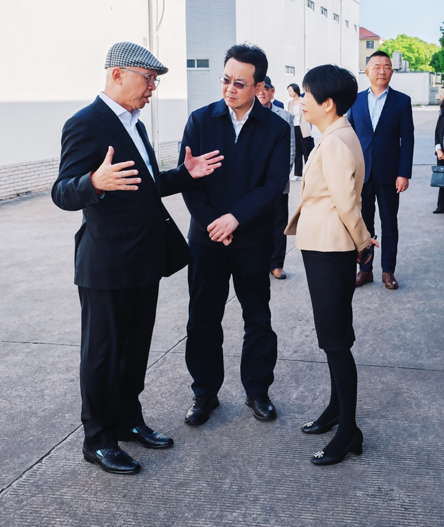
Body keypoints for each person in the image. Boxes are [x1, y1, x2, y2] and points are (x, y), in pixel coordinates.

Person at [51, 42, 224, 475]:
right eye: (148, 79)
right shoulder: (85, 124)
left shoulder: (136, 124)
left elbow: (145, 184)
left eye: (155, 81)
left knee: (135, 350)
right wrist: (93, 181)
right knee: (102, 355)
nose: (152, 88)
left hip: (143, 259)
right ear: (117, 75)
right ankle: (97, 439)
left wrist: (186, 174)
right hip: (106, 264)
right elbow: (62, 191)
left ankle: (128, 420)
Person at [178, 44, 290, 426]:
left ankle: (258, 391)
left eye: (240, 83)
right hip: (206, 238)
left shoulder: (276, 128)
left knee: (257, 317)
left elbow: (273, 185)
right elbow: (189, 180)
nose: (230, 88)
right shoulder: (200, 121)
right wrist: (214, 223)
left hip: (252, 240)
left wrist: (235, 219)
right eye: (226, 80)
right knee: (202, 318)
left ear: (259, 86)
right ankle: (204, 394)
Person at [285, 64, 378, 466]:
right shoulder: (335, 135)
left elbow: (346, 202)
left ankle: (349, 432)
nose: (301, 101)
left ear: (328, 103)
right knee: (332, 336)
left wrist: (364, 241)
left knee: (335, 341)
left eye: (307, 95)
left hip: (330, 249)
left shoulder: (337, 141)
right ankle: (336, 410)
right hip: (323, 247)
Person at [348, 50, 415, 290]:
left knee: (389, 223)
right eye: (376, 66)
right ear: (367, 71)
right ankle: (365, 270)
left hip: (389, 174)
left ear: (392, 72)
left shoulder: (401, 101)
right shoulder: (355, 101)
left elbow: (407, 140)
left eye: (386, 66)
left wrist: (403, 173)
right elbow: (349, 137)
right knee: (364, 224)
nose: (382, 71)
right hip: (362, 174)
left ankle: (388, 271)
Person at [257, 79, 296, 280]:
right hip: (255, 182)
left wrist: (278, 177)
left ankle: (277, 264)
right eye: (259, 89)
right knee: (256, 222)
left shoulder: (285, 116)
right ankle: (259, 261)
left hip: (278, 182)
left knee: (278, 222)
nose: (262, 93)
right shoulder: (246, 114)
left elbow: (291, 149)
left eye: (266, 89)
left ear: (272, 91)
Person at [287, 83, 314, 180]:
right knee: (297, 151)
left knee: (306, 151)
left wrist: (309, 128)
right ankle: (298, 174)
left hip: (304, 128)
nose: (289, 93)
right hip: (294, 128)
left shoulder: (303, 101)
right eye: (288, 91)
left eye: (290, 91)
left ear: (295, 90)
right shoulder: (289, 103)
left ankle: (309, 172)